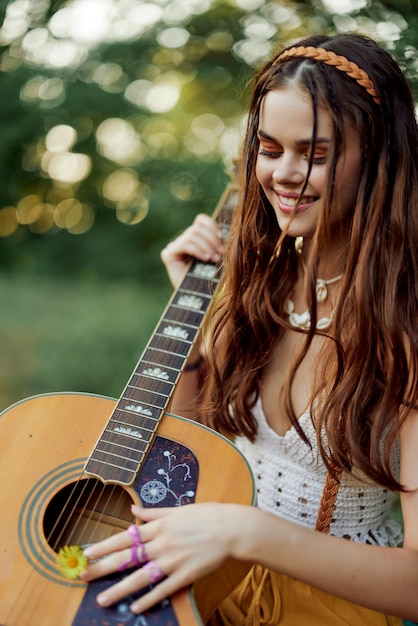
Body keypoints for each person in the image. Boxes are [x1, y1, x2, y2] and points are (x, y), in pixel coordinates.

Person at [81, 33, 418, 625]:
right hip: (204, 589)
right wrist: (189, 314)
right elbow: (183, 455)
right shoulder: (257, 287)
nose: (283, 174)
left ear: (379, 159)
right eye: (268, 148)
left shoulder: (406, 328)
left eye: (315, 154)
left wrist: (246, 532)